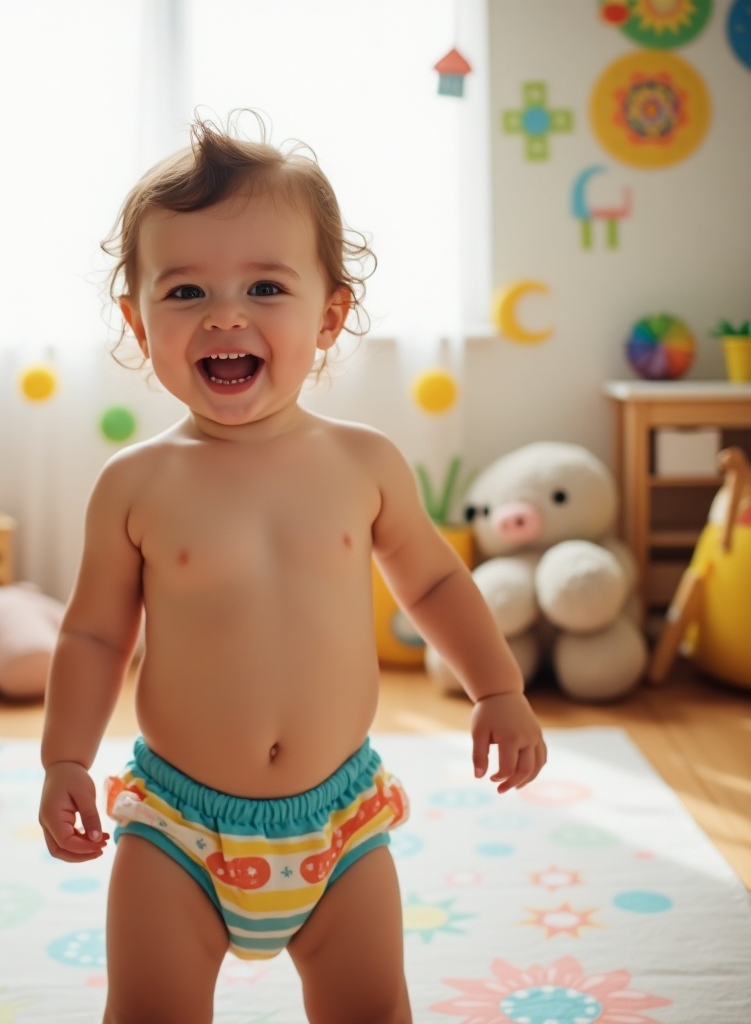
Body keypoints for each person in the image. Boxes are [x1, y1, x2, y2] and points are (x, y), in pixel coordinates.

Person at [39, 113, 546, 1024]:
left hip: (338, 822)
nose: (225, 314)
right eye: (185, 290)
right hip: (177, 831)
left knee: (373, 1010)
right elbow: (93, 631)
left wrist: (497, 688)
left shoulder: (364, 465)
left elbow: (432, 583)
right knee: (148, 1011)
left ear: (330, 315)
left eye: (266, 286)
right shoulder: (135, 483)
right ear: (137, 319)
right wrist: (63, 756)